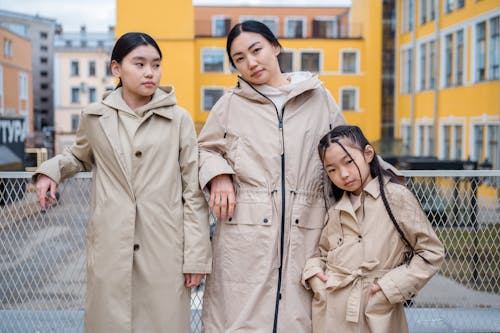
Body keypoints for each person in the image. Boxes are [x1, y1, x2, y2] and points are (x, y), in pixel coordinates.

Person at [34, 32, 212, 333]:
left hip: (164, 247)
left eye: (156, 65)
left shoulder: (179, 119)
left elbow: (192, 193)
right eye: (139, 63)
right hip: (111, 246)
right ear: (116, 68)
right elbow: (79, 155)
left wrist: (195, 257)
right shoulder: (94, 117)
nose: (149, 72)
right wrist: (50, 170)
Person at [198, 20, 346, 332]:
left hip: (309, 231)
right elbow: (203, 151)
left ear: (275, 47)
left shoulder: (319, 99)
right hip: (245, 236)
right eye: (239, 58)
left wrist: (387, 181)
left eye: (256, 50)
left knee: (303, 320)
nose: (251, 62)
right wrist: (219, 175)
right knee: (240, 320)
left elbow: (349, 152)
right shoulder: (229, 105)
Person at [302, 125, 445, 333]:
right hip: (330, 314)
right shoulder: (336, 210)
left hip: (377, 311)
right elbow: (323, 254)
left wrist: (390, 288)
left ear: (368, 154)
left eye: (349, 162)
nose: (343, 174)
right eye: (331, 169)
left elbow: (431, 252)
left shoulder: (396, 197)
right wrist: (314, 274)